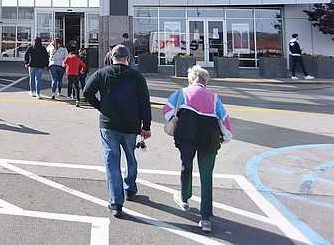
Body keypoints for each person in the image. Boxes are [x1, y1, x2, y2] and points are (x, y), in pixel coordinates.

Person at [163, 64, 234, 233]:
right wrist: (226, 138)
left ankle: (185, 198)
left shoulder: (181, 93)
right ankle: (205, 218)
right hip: (209, 140)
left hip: (187, 137)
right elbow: (225, 121)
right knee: (206, 175)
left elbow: (167, 112)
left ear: (190, 80)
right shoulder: (214, 98)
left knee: (186, 166)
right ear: (205, 82)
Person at [83, 44, 151, 219]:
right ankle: (130, 188)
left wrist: (101, 107)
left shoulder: (101, 73)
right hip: (130, 125)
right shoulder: (136, 77)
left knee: (111, 161)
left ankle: (116, 202)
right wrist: (146, 126)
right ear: (128, 58)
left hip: (108, 124)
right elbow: (145, 103)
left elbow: (87, 92)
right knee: (130, 155)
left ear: (111, 57)